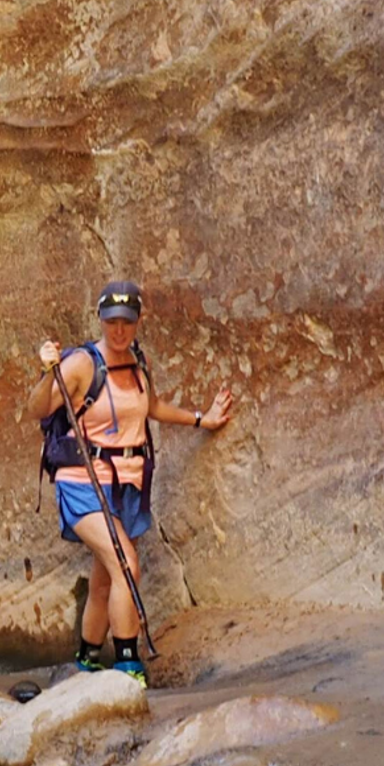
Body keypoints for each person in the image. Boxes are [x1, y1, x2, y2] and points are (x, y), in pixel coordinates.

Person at [30, 281, 234, 687]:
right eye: (111, 322)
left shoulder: (138, 361)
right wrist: (46, 371)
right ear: (101, 320)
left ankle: (86, 659)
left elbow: (151, 407)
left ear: (138, 321)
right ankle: (128, 664)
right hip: (83, 481)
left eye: (126, 322)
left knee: (106, 575)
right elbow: (37, 408)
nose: (118, 331)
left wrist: (201, 418)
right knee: (127, 564)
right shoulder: (82, 364)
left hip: (127, 483)